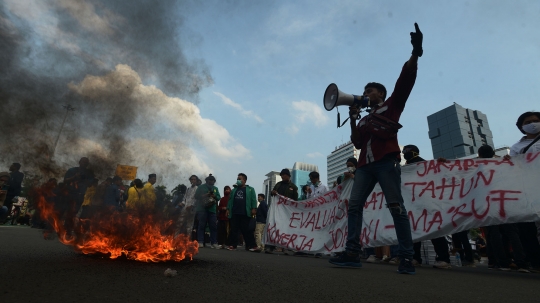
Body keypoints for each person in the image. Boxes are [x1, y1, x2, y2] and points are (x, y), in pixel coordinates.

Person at [329, 23, 423, 275]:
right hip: (364, 167)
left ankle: (406, 257)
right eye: (363, 91)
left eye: (369, 91)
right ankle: (352, 251)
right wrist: (352, 118)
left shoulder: (391, 106)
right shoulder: (364, 118)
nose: (364, 93)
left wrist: (415, 53)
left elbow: (405, 81)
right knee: (355, 206)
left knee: (395, 206)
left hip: (386, 162)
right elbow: (358, 143)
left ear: (380, 94)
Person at [401, 145, 452, 269]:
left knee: (431, 230)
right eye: (404, 152)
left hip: (426, 202)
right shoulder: (406, 168)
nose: (405, 153)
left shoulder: (426, 165)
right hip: (417, 203)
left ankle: (436, 258)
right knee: (420, 231)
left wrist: (443, 164)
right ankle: (437, 258)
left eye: (406, 151)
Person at [266, 168, 299, 254]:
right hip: (277, 210)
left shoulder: (293, 187)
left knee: (286, 229)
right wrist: (272, 192)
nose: (282, 176)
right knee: (274, 227)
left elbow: (295, 200)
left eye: (284, 175)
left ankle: (286, 247)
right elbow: (272, 194)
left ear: (288, 175)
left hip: (287, 212)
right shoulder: (278, 185)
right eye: (281, 175)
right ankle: (270, 246)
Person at [226, 173, 258, 251]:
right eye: (237, 179)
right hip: (235, 212)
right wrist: (228, 209)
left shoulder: (250, 189)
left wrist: (254, 208)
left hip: (245, 213)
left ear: (244, 180)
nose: (238, 180)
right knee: (234, 229)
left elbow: (253, 199)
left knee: (247, 230)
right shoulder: (234, 190)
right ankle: (233, 245)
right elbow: (230, 201)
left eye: (239, 179)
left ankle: (251, 246)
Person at [194, 174, 221, 248]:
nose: (211, 181)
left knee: (213, 227)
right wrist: (205, 195)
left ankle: (214, 242)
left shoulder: (215, 188)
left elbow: (218, 197)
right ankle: (200, 241)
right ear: (206, 180)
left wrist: (214, 196)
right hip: (202, 209)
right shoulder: (201, 187)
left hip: (212, 210)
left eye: (212, 180)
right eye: (210, 180)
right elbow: (196, 196)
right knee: (201, 226)